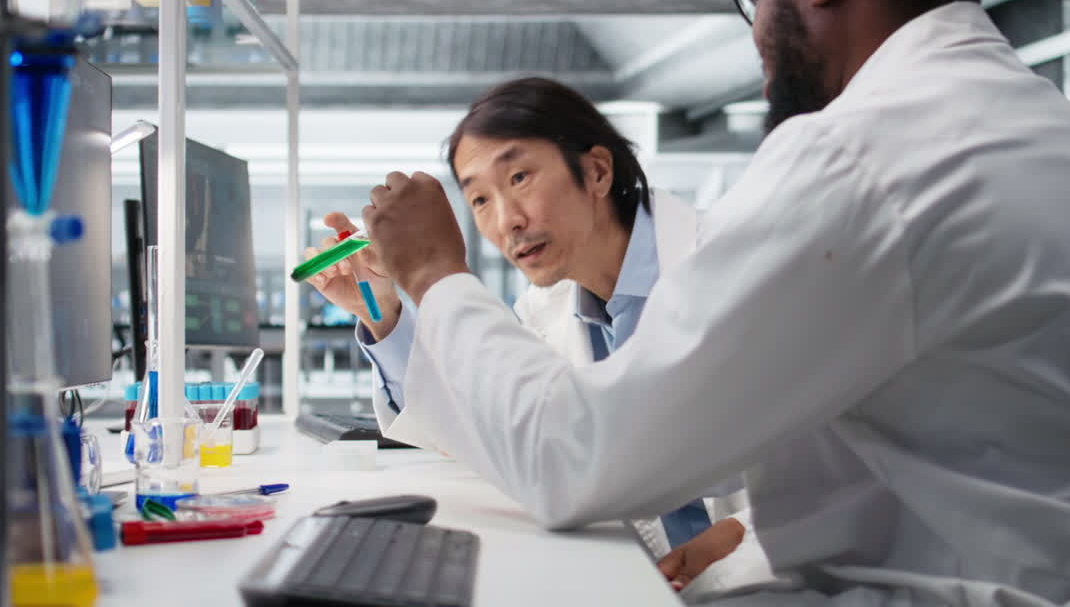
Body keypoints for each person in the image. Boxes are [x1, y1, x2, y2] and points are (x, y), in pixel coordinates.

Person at [356, 0, 1070, 605]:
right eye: (479, 198)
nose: (756, 35)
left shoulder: (859, 155)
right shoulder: (1060, 136)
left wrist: (434, 270)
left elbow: (570, 457)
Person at [304, 77, 766, 597]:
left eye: (519, 177)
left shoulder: (735, 263)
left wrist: (741, 534)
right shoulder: (548, 308)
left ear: (596, 171)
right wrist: (382, 310)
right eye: (480, 199)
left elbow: (835, 470)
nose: (508, 221)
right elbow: (490, 423)